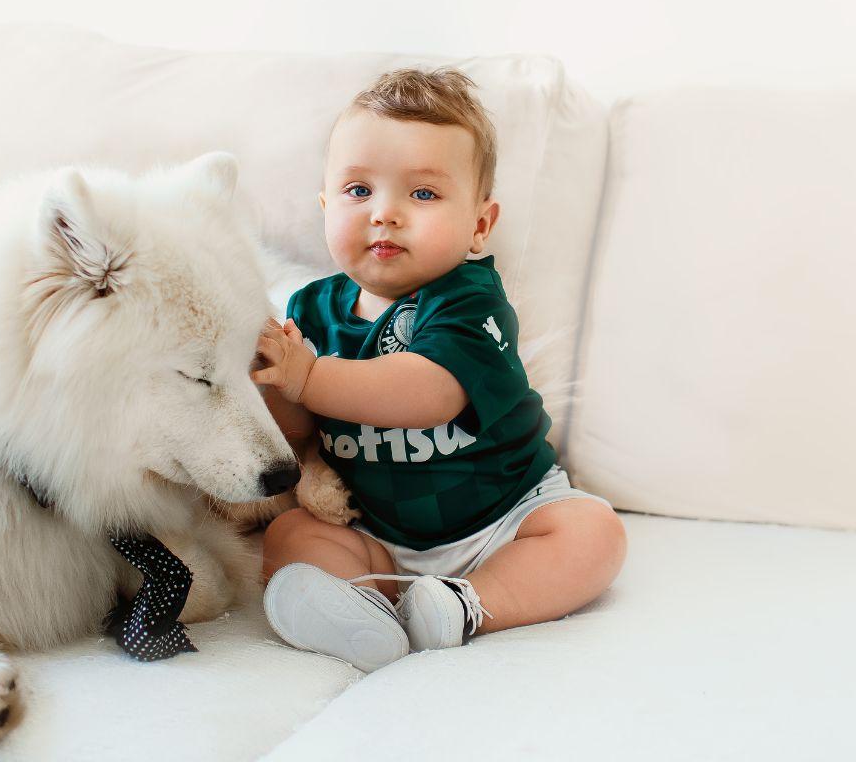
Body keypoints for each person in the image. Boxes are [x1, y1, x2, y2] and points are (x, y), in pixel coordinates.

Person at [251, 68, 627, 673]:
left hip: (503, 519)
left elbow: (430, 393)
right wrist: (274, 383)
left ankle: (468, 603)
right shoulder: (310, 310)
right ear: (325, 206)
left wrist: (309, 378)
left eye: (422, 194)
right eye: (358, 190)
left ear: (479, 225)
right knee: (291, 536)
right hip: (376, 530)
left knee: (593, 534)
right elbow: (300, 434)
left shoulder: (470, 301)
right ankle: (362, 612)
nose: (385, 214)